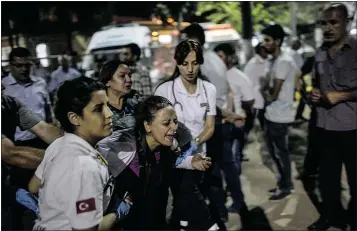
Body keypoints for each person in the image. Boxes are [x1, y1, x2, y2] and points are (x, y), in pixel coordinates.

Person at [96, 95, 216, 230]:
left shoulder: (168, 143)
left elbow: (171, 160)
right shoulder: (122, 148)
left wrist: (190, 162)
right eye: (166, 123)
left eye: (175, 121)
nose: (174, 127)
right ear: (147, 126)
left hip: (155, 218)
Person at [32, 77, 129, 230]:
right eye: (98, 109)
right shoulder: (85, 166)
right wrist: (118, 212)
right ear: (75, 118)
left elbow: (34, 187)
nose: (109, 114)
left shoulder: (58, 144)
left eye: (107, 106)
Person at [308, 4, 356, 230]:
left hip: (352, 127)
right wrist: (314, 94)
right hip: (324, 126)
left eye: (334, 22)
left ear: (347, 22)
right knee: (327, 179)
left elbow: (341, 93)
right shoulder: (319, 52)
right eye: (324, 23)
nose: (328, 28)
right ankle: (330, 216)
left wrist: (342, 95)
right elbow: (316, 83)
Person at [1, 82, 62, 230]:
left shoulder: (8, 103)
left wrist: (79, 141)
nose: (2, 87)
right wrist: (64, 158)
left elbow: (43, 129)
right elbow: (11, 154)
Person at [261, 24, 298, 201]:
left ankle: (286, 186)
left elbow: (272, 93)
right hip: (272, 113)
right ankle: (284, 183)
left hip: (280, 115)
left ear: (278, 41)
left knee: (280, 153)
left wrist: (263, 91)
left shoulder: (283, 61)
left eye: (268, 40)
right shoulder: (274, 61)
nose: (264, 44)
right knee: (276, 152)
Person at [99, 60, 144, 132]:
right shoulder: (100, 106)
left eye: (129, 75)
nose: (129, 80)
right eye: (122, 76)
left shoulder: (136, 98)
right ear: (107, 82)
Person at [244, 43, 269, 129]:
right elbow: (247, 83)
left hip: (264, 97)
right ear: (260, 51)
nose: (267, 51)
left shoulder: (267, 61)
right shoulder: (253, 63)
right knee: (252, 121)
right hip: (256, 98)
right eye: (264, 49)